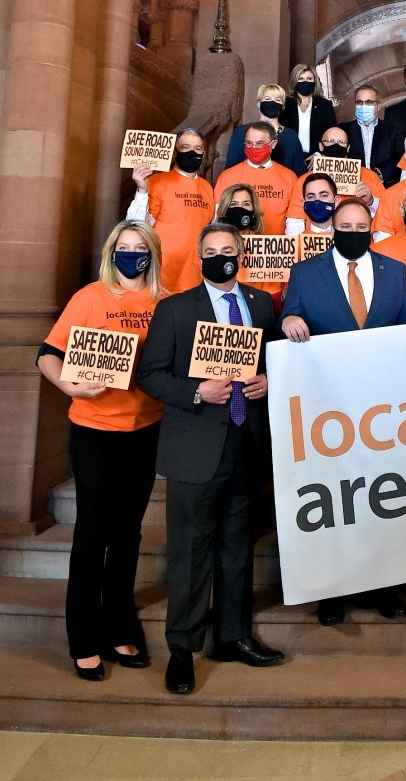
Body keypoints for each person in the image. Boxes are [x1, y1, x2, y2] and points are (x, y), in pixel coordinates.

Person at [137, 222, 283, 695]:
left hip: (247, 443)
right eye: (212, 251)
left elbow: (273, 361)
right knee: (189, 552)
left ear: (242, 255)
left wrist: (267, 380)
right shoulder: (176, 310)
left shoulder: (261, 304)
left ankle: (233, 636)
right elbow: (152, 376)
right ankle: (182, 647)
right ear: (200, 258)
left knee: (236, 546)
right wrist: (197, 391)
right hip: (195, 449)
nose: (222, 257)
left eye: (229, 250)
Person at [37, 221, 166, 681]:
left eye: (140, 248)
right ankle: (83, 637)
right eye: (123, 247)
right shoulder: (91, 296)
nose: (131, 254)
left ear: (152, 254)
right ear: (112, 252)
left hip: (145, 428)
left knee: (128, 532)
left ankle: (118, 625)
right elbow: (47, 353)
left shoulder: (162, 302)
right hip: (94, 429)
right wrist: (70, 384)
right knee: (93, 530)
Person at [280, 199, 406, 626]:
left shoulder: (395, 271)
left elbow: (405, 333)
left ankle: (385, 587)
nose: (353, 231)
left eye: (361, 225)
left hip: (382, 409)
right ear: (333, 228)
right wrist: (289, 320)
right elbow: (291, 313)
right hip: (327, 410)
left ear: (372, 228)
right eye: (345, 225)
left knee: (384, 499)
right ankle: (331, 591)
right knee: (334, 500)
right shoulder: (305, 271)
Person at [127, 127, 214, 292]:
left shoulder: (207, 187)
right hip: (161, 271)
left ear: (203, 153)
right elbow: (138, 226)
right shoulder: (157, 182)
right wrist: (142, 189)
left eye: (197, 148)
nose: (192, 152)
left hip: (194, 272)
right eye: (185, 147)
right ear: (175, 153)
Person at [214, 122, 295, 234]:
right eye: (249, 143)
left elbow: (294, 220)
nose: (254, 147)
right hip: (240, 246)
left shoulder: (289, 177)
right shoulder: (228, 176)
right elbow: (217, 217)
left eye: (260, 143)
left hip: (276, 248)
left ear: (273, 144)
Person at [215, 183, 284, 307]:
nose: (240, 209)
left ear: (253, 212)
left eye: (246, 204)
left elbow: (273, 296)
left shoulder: (266, 247)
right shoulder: (208, 244)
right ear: (224, 211)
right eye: (233, 204)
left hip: (256, 312)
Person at [225, 84, 305, 177]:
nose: (272, 103)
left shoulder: (291, 136)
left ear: (282, 106)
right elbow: (230, 169)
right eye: (267, 99)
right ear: (259, 104)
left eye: (277, 100)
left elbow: (299, 172)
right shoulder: (241, 132)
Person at [310, 125, 386, 214]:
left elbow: (387, 210)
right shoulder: (308, 179)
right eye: (330, 141)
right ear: (321, 146)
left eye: (341, 142)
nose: (336, 145)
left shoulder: (369, 175)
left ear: (348, 147)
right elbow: (296, 219)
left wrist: (370, 200)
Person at [341, 84, 404, 186]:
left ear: (378, 106)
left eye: (369, 102)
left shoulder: (393, 130)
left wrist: (379, 174)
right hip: (352, 187)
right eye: (359, 102)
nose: (363, 106)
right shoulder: (342, 130)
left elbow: (401, 157)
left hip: (384, 187)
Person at [279, 63, 337, 156]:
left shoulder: (325, 105)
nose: (305, 82)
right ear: (294, 81)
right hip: (289, 156)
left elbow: (332, 132)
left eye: (309, 79)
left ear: (315, 81)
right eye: (301, 79)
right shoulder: (285, 104)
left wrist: (319, 153)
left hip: (316, 158)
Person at [286, 172, 338, 237]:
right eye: (311, 197)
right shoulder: (296, 243)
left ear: (336, 201)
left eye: (324, 195)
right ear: (303, 204)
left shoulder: (349, 240)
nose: (317, 201)